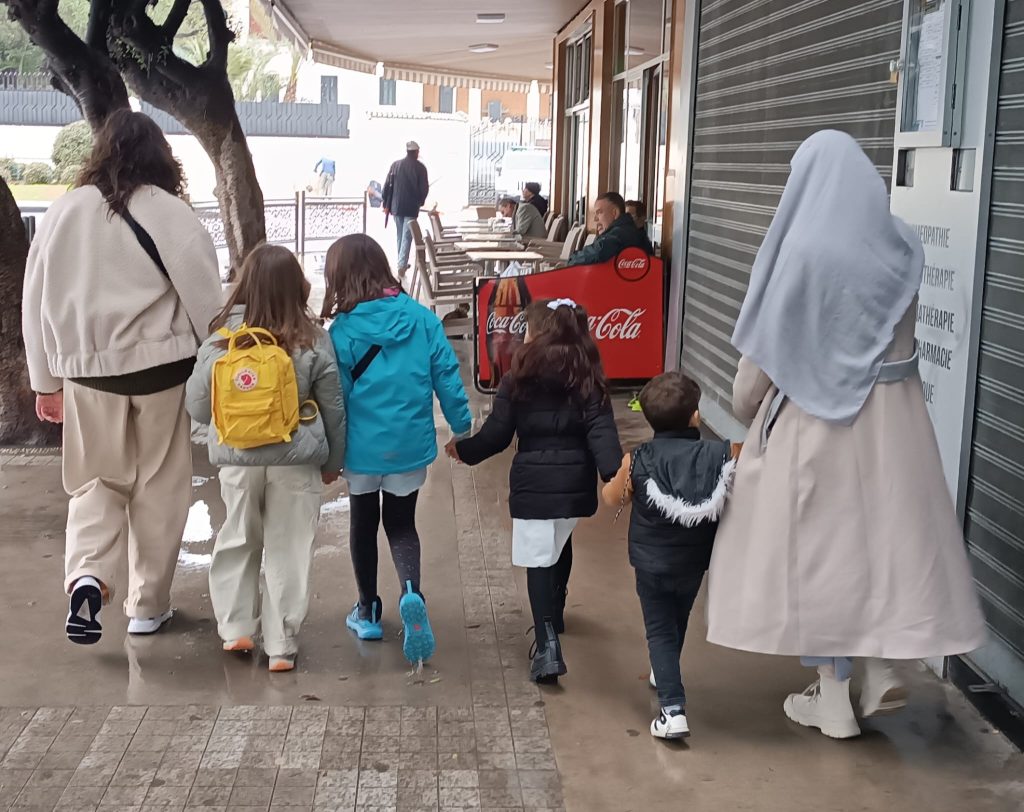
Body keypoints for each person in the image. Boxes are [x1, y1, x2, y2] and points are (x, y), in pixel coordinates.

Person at [705, 130, 987, 739]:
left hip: (819, 420)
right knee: (884, 540)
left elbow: (764, 362)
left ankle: (833, 700)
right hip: (896, 419)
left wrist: (747, 407)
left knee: (821, 553)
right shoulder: (903, 244)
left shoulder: (802, 251)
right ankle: (880, 664)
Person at [22, 110, 223, 645]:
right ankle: (147, 607)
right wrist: (225, 361)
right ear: (161, 156)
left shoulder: (63, 212)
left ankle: (88, 575)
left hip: (88, 375)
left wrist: (46, 381)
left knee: (95, 482)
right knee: (159, 486)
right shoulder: (170, 211)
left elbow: (34, 302)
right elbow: (207, 297)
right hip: (163, 373)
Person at [185, 244, 346, 673]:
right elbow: (333, 407)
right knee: (289, 548)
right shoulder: (313, 338)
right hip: (297, 460)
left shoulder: (222, 339)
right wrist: (335, 461)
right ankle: (281, 644)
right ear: (297, 286)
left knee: (237, 535)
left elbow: (197, 407)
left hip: (238, 458)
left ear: (245, 285)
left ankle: (236, 627)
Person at [448, 299, 622, 683]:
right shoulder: (588, 375)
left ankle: (545, 644)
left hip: (533, 483)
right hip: (574, 484)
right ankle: (555, 612)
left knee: (539, 558)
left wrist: (464, 450)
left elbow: (496, 436)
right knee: (559, 542)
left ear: (536, 332)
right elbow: (601, 431)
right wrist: (614, 474)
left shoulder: (518, 376)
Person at [323, 234, 471, 666]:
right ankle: (411, 593)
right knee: (403, 525)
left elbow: (336, 399)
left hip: (361, 451)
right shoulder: (422, 319)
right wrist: (461, 426)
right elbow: (447, 373)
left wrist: (332, 453)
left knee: (363, 524)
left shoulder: (343, 330)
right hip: (409, 446)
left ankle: (367, 610)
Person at [602, 372, 738, 740]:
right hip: (694, 560)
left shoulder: (638, 459)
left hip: (650, 561)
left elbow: (612, 498)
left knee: (659, 628)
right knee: (677, 617)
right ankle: (663, 671)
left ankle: (672, 709)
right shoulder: (721, 454)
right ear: (695, 416)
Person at [381, 141, 430, 274]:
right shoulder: (421, 168)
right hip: (411, 208)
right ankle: (401, 264)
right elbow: (424, 189)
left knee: (400, 234)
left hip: (396, 207)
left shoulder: (395, 165)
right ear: (416, 152)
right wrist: (420, 201)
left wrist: (386, 203)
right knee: (406, 236)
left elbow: (387, 186)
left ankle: (401, 261)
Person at [567, 192, 654, 267]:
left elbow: (599, 252)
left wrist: (573, 258)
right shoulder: (626, 229)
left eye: (599, 212)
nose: (595, 219)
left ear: (615, 213)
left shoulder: (620, 233)